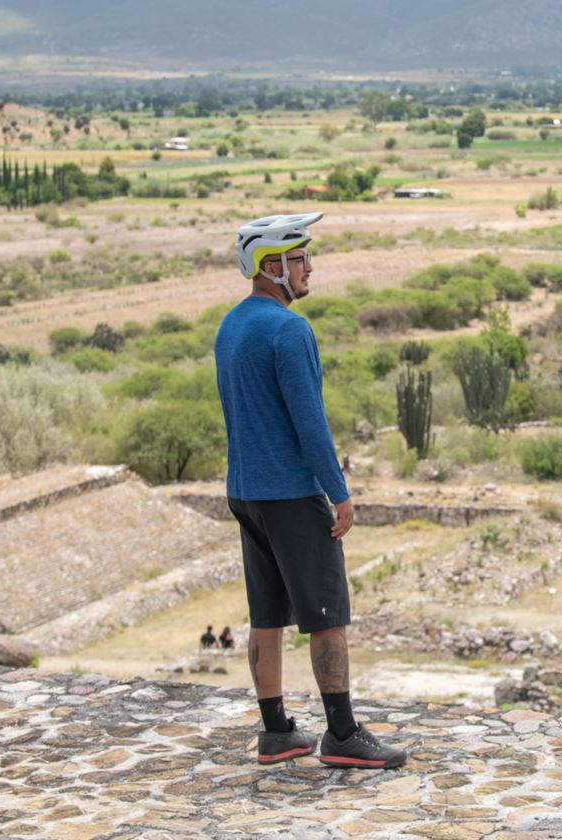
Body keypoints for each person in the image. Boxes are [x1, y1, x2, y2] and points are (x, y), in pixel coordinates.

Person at [215, 212, 407, 770]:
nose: (309, 267)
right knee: (326, 614)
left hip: (244, 491)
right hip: (291, 491)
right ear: (271, 266)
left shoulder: (231, 324)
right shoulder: (289, 330)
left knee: (267, 614)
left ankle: (277, 733)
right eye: (300, 259)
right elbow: (310, 421)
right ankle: (343, 735)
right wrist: (338, 492)